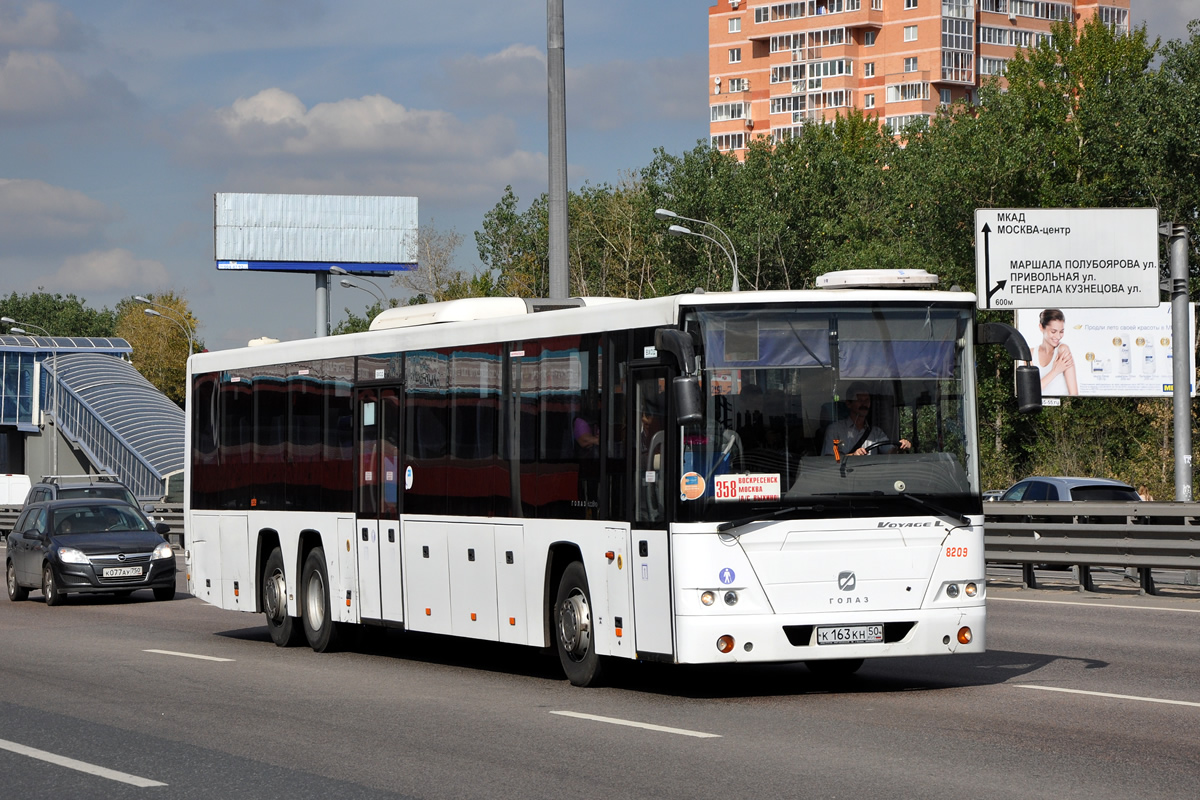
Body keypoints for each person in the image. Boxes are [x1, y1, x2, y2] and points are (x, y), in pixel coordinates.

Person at [822, 383, 911, 457]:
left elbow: (890, 452)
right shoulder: (835, 430)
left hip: (870, 476)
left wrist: (901, 447)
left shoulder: (876, 433)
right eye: (860, 400)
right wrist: (853, 455)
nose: (864, 404)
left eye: (867, 400)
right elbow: (830, 460)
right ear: (849, 403)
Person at [1035, 308, 1079, 396]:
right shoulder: (1031, 353)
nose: (1058, 336)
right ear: (1041, 327)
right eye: (1053, 331)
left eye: (1061, 332)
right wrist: (1055, 371)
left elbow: (1074, 393)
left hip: (1061, 408)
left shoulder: (1063, 350)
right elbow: (1030, 391)